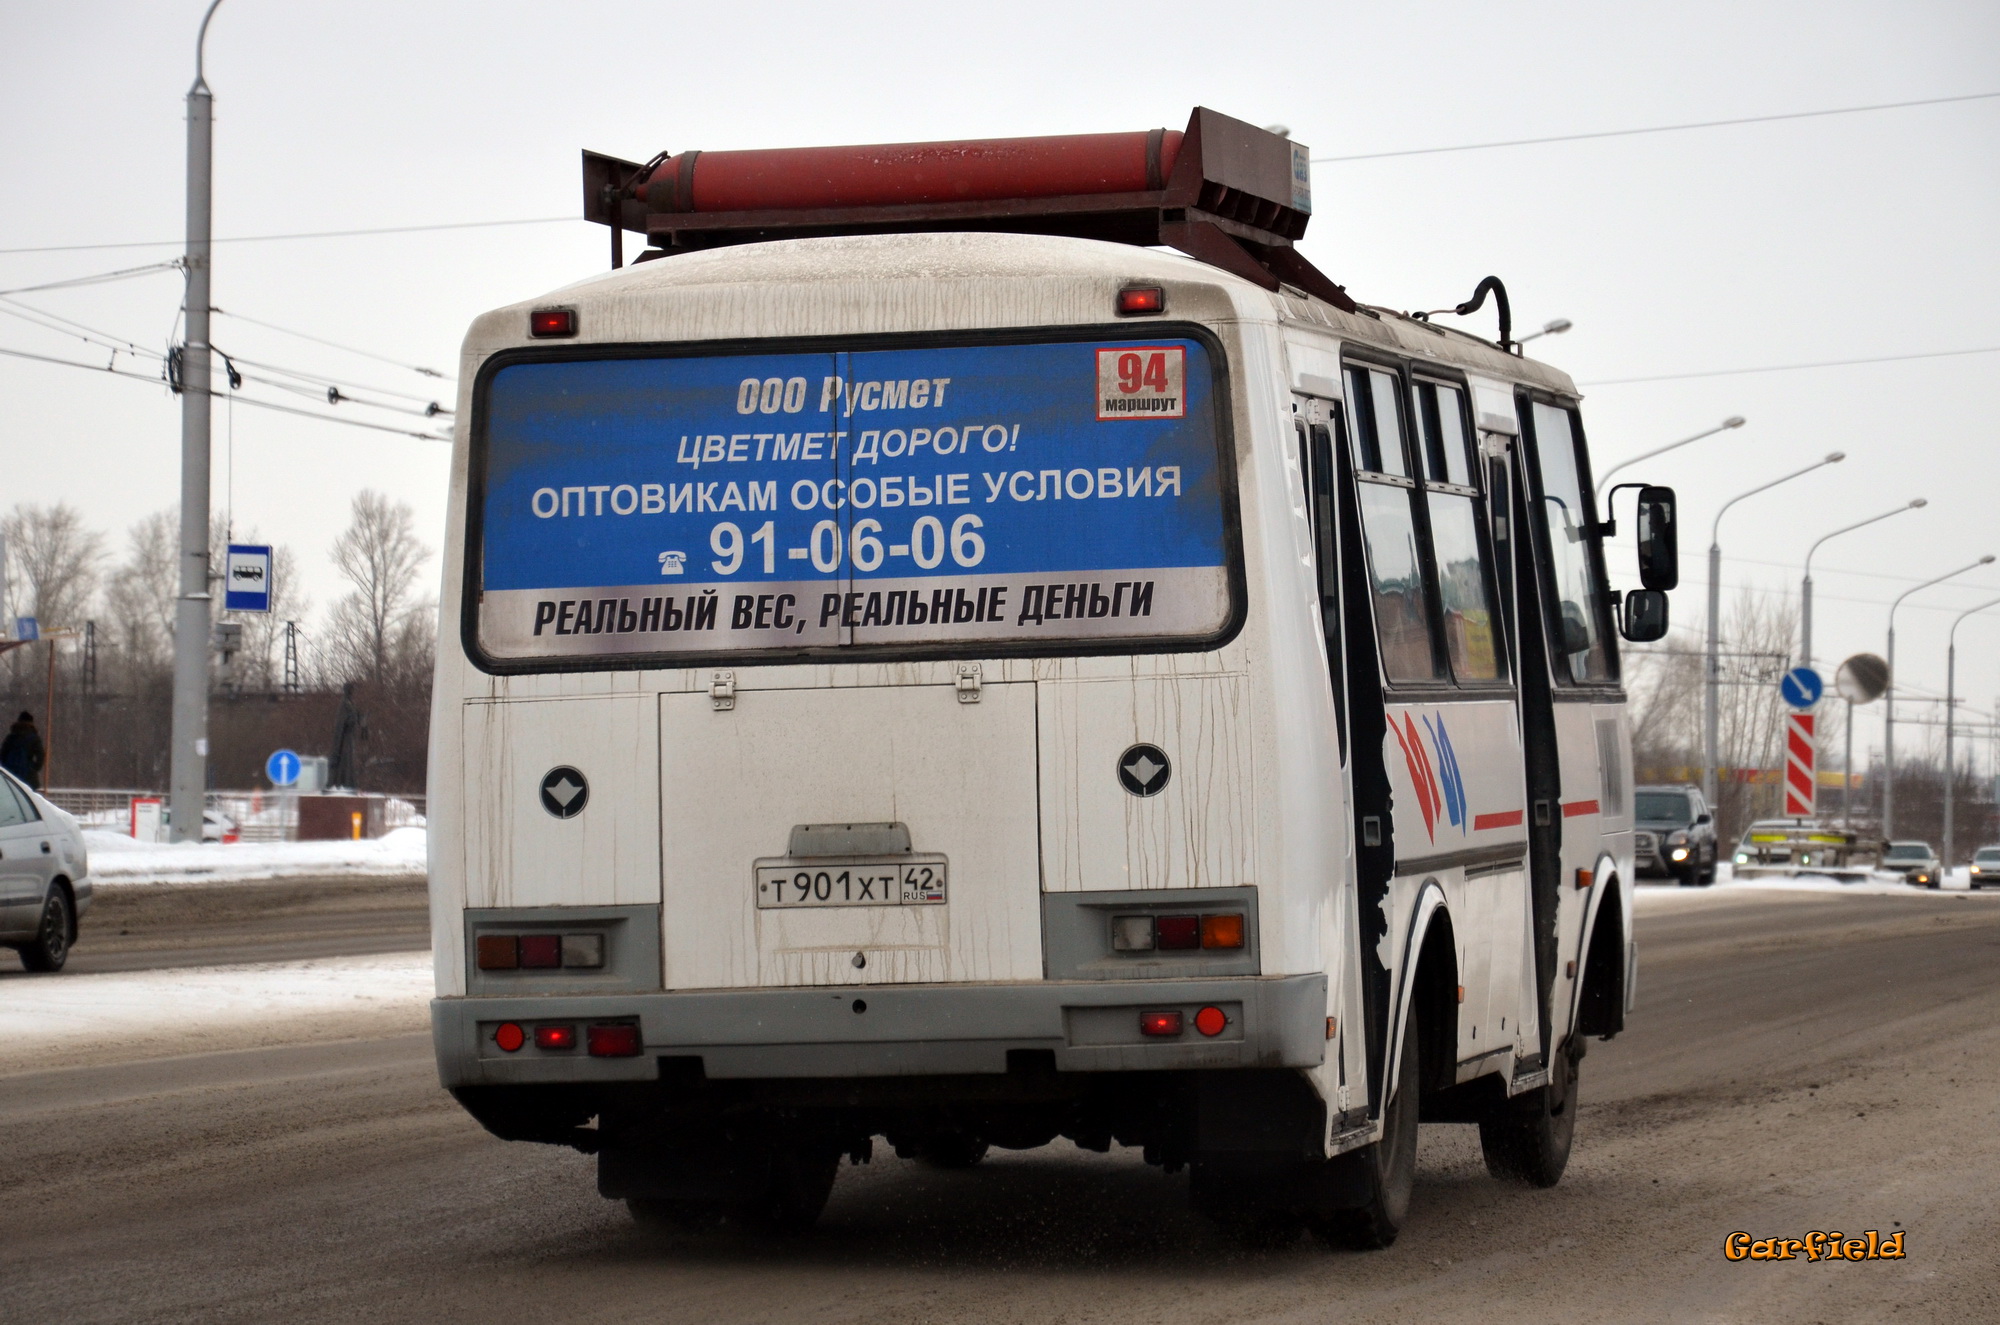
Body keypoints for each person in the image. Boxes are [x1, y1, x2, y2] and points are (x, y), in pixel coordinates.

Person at [1, 711, 45, 790]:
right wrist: (33, 769)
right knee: (28, 799)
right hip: (28, 777)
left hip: (10, 776)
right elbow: (41, 757)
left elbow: (2, 755)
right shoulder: (34, 738)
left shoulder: (11, 737)